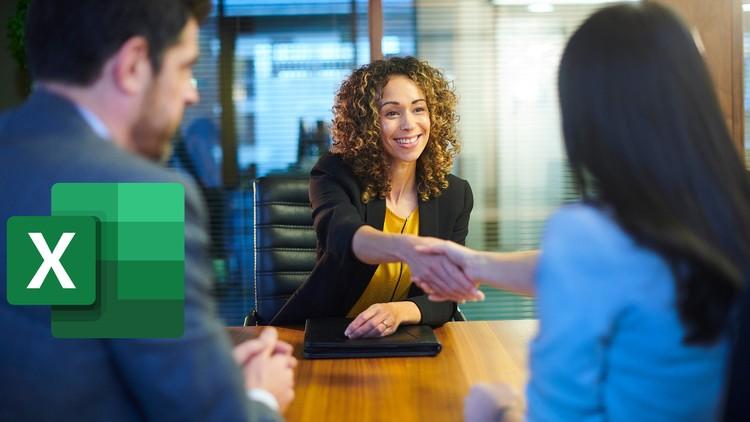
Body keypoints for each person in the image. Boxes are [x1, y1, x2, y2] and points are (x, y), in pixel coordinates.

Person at [417, 3, 750, 421]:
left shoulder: (590, 234)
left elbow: (559, 414)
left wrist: (497, 410)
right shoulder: (722, 211)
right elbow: (613, 272)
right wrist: (477, 264)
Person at [0, 1, 295, 420]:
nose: (192, 92)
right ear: (134, 64)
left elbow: (67, 350)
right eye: (185, 67)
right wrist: (261, 396)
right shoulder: (125, 196)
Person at [271, 56, 482, 338]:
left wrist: (398, 312)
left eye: (419, 109)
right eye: (392, 113)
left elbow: (446, 297)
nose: (409, 124)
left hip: (403, 336)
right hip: (327, 332)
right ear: (368, 123)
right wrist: (406, 248)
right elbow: (345, 237)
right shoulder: (333, 174)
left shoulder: (454, 194)